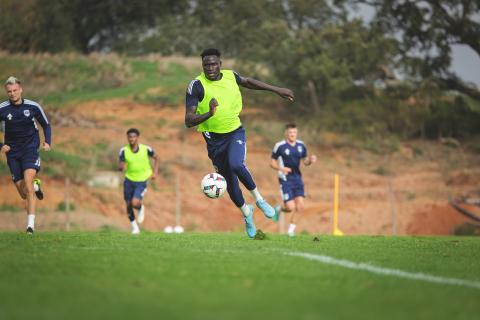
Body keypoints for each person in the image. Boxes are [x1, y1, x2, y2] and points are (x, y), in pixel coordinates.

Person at [185, 48, 294, 238]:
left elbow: (249, 82)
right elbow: (188, 120)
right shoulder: (196, 85)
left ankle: (259, 200)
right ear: (202, 66)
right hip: (214, 141)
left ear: (220, 63)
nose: (210, 68)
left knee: (237, 164)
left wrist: (276, 90)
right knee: (230, 182)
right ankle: (247, 213)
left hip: (235, 132)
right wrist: (209, 114)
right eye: (206, 65)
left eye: (213, 64)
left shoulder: (230, 76)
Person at [0, 76, 51, 234]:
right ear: (6, 92)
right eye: (9, 91)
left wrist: (47, 141)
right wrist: (1, 145)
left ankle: (30, 226)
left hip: (30, 149)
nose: (13, 94)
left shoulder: (33, 106)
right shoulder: (2, 108)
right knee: (23, 193)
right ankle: (36, 186)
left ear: (20, 89)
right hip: (12, 153)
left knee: (27, 184)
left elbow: (46, 124)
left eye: (15, 90)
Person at [270, 123, 316, 236]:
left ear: (297, 133)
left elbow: (305, 162)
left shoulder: (301, 145)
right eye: (290, 132)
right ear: (286, 133)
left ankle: (291, 231)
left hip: (297, 179)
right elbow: (272, 163)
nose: (292, 134)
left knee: (300, 207)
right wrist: (281, 168)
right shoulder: (280, 146)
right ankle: (279, 209)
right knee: (290, 207)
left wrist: (310, 160)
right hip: (285, 179)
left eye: (294, 132)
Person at [119, 128, 159, 234]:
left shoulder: (146, 149)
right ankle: (135, 228)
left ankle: (140, 208)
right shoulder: (124, 150)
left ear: (137, 137)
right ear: (127, 138)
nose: (131, 139)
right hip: (129, 179)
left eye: (133, 136)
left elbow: (156, 158)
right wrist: (121, 167)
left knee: (134, 202)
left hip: (142, 180)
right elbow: (121, 164)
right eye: (129, 137)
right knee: (128, 204)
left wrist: (155, 172)